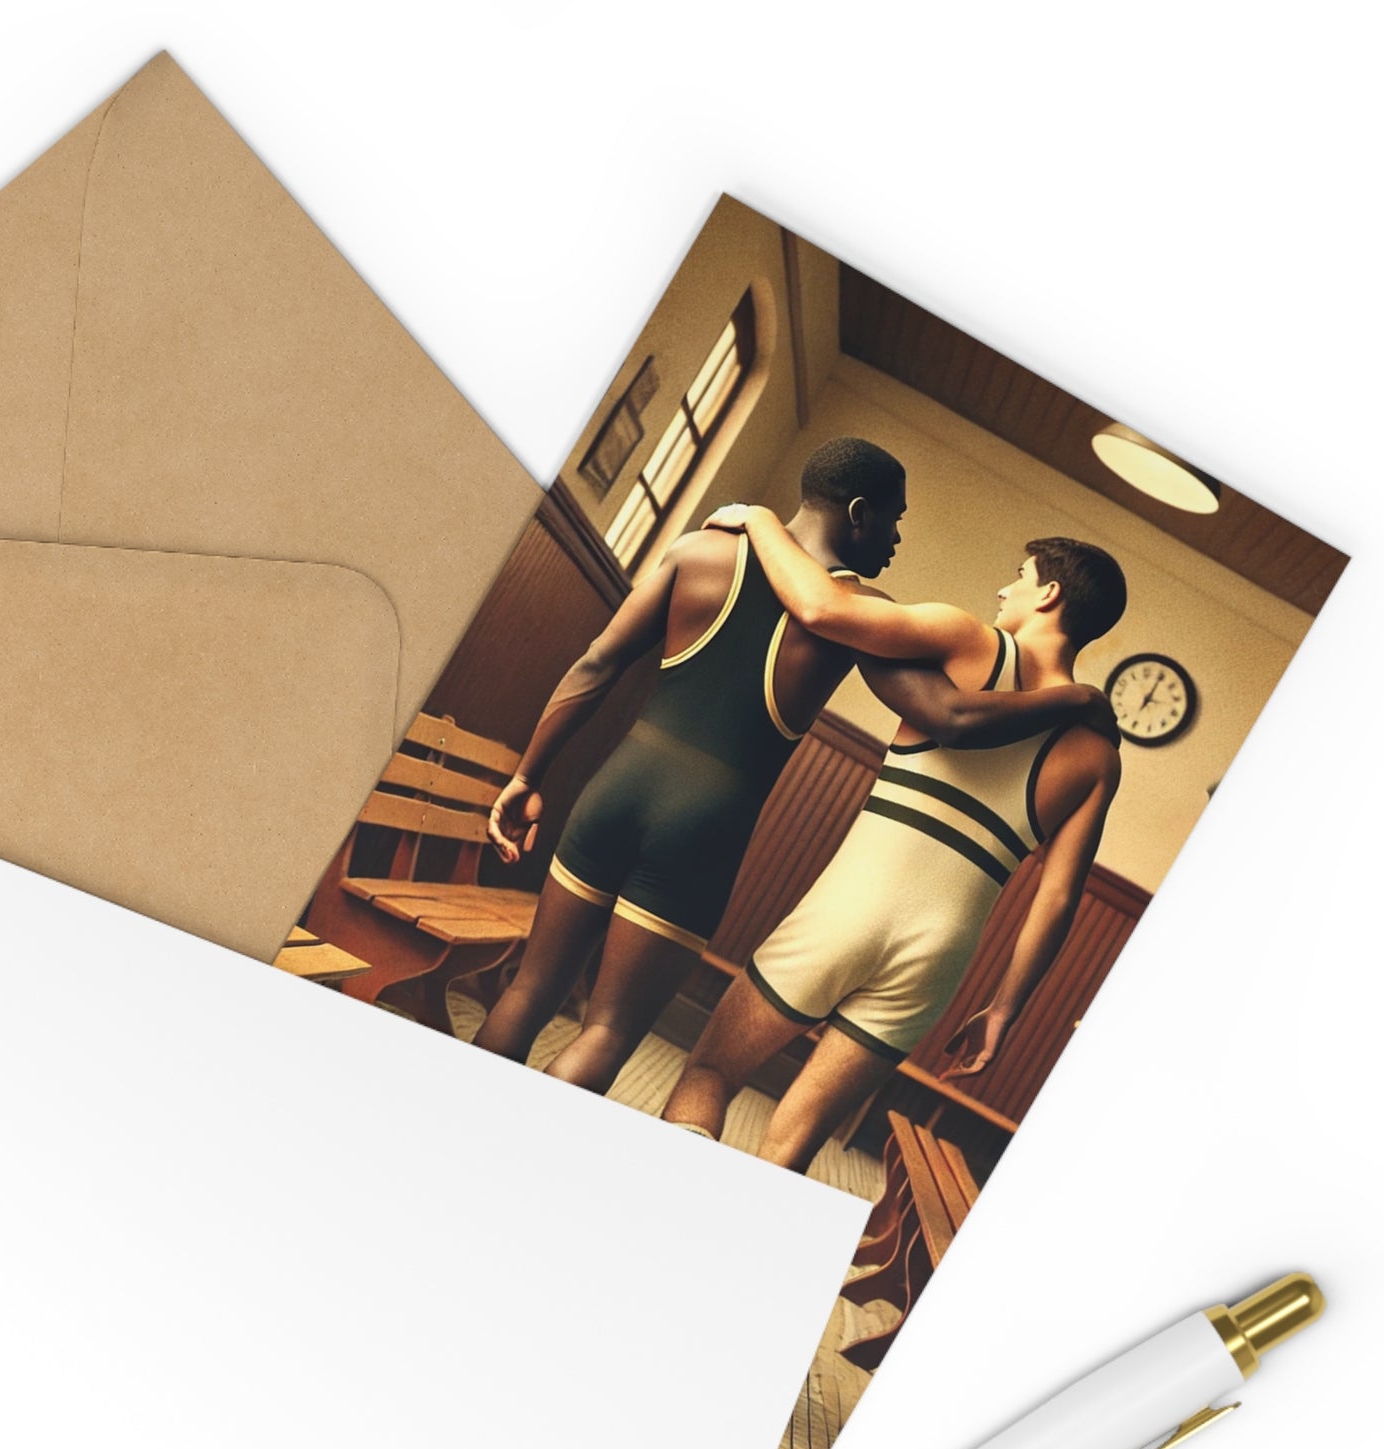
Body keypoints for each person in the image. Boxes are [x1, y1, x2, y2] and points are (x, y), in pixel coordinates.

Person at [471, 438, 1114, 1093]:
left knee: (528, 988)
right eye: (893, 520)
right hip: (704, 828)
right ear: (859, 514)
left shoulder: (699, 550)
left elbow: (594, 664)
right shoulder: (865, 616)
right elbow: (951, 718)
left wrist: (528, 775)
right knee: (607, 1030)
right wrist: (1079, 697)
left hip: (615, 787)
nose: (895, 539)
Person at [662, 506, 1127, 1171]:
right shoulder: (1098, 757)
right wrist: (1003, 1010)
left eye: (1019, 576)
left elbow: (821, 608)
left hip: (848, 910)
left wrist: (759, 519)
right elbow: (1056, 899)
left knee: (708, 1073)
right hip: (940, 957)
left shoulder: (970, 642)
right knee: (792, 1143)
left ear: (1049, 592)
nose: (1005, 589)